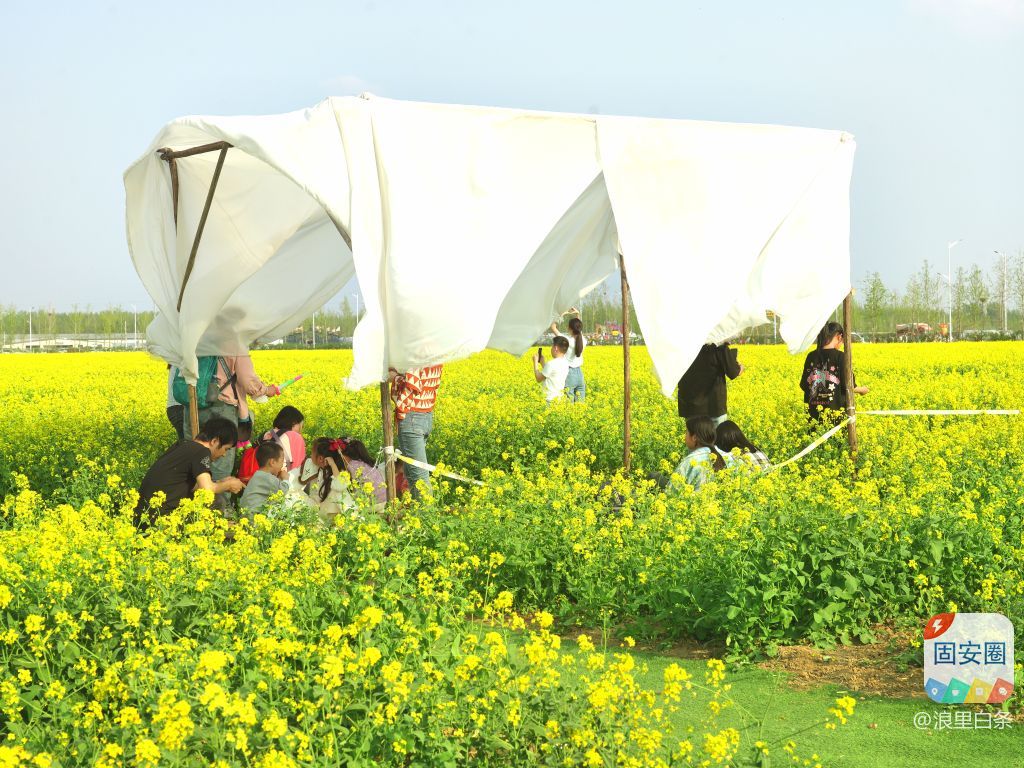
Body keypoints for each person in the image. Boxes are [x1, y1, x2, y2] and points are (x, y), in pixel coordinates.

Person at [182, 354, 279, 510]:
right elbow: (247, 380)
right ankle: (219, 511)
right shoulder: (233, 340)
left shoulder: (197, 337)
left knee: (191, 458)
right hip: (221, 405)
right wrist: (267, 390)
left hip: (192, 405)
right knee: (221, 461)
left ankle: (191, 508)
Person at [134, 417, 244, 530]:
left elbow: (186, 485)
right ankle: (213, 531)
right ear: (215, 441)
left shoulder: (183, 444)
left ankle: (215, 527)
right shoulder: (201, 451)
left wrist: (219, 483)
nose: (224, 454)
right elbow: (207, 490)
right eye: (226, 449)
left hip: (142, 517)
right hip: (161, 522)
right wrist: (229, 485)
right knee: (216, 501)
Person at [388, 364, 443, 500]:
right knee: (413, 473)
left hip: (412, 418)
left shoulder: (417, 350)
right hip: (425, 415)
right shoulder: (435, 350)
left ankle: (425, 517)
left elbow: (412, 384)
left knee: (418, 478)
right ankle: (419, 514)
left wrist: (394, 377)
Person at [800, 322, 870, 424]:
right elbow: (849, 386)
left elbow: (804, 385)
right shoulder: (841, 357)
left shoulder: (811, 356)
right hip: (836, 419)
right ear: (839, 336)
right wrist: (863, 390)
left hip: (814, 417)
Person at [677, 343, 744, 427]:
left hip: (690, 407)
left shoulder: (683, 343)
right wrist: (741, 367)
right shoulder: (718, 344)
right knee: (717, 438)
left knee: (694, 439)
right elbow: (733, 372)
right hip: (714, 406)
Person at [306, 437, 358, 524]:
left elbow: (340, 486)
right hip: (322, 512)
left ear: (320, 459)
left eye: (312, 453)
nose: (310, 456)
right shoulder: (319, 468)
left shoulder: (339, 472)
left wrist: (332, 464)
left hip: (334, 518)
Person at [670, 416, 730, 491]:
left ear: (694, 437)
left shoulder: (690, 461)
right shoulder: (724, 455)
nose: (684, 437)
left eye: (686, 433)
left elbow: (672, 491)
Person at [238, 441, 290, 518]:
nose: (282, 465)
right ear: (272, 462)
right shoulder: (268, 478)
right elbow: (283, 491)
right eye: (282, 461)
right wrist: (286, 479)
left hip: (245, 515)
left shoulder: (258, 475)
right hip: (255, 518)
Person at [336, 437, 387, 509]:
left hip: (374, 505)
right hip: (384, 501)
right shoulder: (361, 463)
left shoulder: (352, 466)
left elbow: (343, 486)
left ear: (341, 454)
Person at [550, 307, 586, 402]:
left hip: (569, 374)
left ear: (570, 328)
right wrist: (577, 314)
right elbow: (579, 328)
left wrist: (561, 314)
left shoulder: (567, 340)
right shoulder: (583, 340)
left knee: (569, 404)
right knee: (580, 406)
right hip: (580, 375)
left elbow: (553, 327)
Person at [262, 405, 306, 472]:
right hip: (282, 479)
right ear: (294, 423)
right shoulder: (295, 436)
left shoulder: (269, 434)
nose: (301, 430)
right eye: (301, 426)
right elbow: (297, 466)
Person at [532, 336, 570, 403]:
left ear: (555, 348)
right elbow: (551, 374)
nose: (551, 349)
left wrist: (535, 363)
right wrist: (543, 363)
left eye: (552, 346)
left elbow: (538, 379)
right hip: (559, 398)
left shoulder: (551, 364)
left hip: (549, 399)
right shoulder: (566, 362)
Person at [166, 364, 184, 441]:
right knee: (189, 447)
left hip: (175, 409)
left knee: (187, 445)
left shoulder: (175, 362)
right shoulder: (180, 362)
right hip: (179, 408)